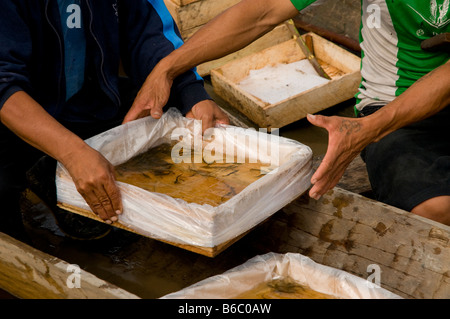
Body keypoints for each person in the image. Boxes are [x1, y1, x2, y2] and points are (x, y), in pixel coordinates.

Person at [130, 0, 450, 225]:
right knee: (434, 210)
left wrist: (371, 129)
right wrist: (168, 68)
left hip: (394, 116)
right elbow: (263, 11)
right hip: (392, 107)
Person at [0, 0, 229, 240]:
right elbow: (4, 85)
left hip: (89, 102)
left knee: (170, 111)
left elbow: (146, 30)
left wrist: (191, 93)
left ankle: (50, 171)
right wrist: (73, 153)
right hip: (12, 119)